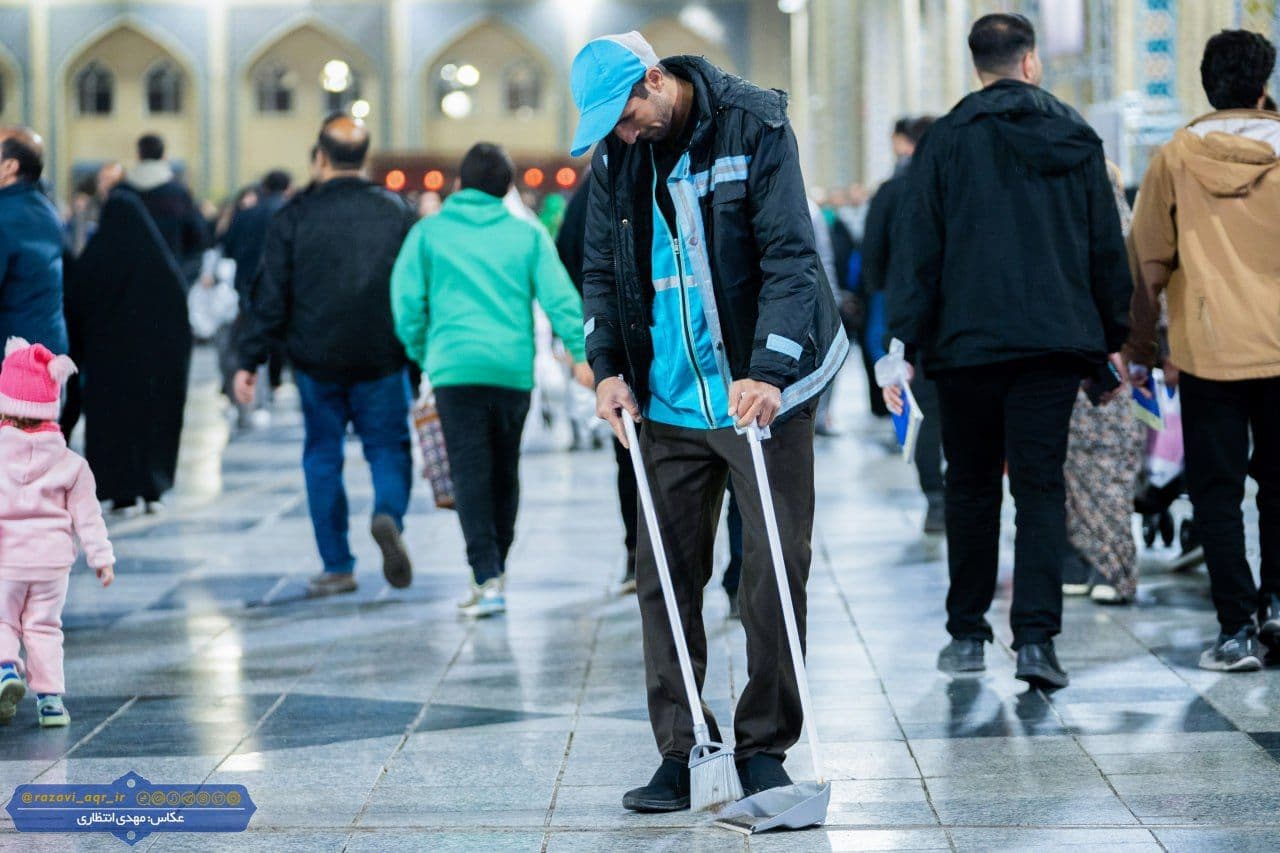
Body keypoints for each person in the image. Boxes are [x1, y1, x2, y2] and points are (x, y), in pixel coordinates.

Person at [571, 32, 847, 809]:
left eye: (626, 115)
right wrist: (607, 368)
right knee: (663, 574)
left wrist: (769, 370)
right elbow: (601, 270)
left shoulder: (754, 124)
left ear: (656, 81)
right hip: (665, 397)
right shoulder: (617, 155)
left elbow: (792, 257)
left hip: (759, 391)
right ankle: (684, 744)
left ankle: (764, 747)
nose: (624, 135)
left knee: (774, 568)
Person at [885, 13, 1132, 689]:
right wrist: (1111, 339)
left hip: (965, 348)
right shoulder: (1075, 134)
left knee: (969, 486)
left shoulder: (944, 140)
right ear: (1030, 61)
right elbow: (1104, 247)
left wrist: (903, 342)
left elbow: (918, 249)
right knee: (1040, 487)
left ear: (977, 66)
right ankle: (1037, 642)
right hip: (1051, 345)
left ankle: (967, 632)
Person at [1127, 29, 1280, 672]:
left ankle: (1235, 628)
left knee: (1216, 491)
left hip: (1208, 350)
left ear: (1207, 86)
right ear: (1264, 85)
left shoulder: (1175, 157)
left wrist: (1139, 346)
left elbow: (1147, 262)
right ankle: (1277, 605)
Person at [392, 143, 593, 616]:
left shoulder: (428, 233)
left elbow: (405, 304)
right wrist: (582, 353)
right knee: (504, 469)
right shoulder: (527, 234)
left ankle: (486, 576)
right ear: (507, 188)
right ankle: (494, 567)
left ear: (459, 184)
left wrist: (425, 353)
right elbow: (561, 299)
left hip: (454, 370)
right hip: (511, 372)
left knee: (469, 471)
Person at [236, 113, 417, 598]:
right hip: (382, 356)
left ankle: (337, 565)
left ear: (319, 157)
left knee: (322, 456)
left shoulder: (294, 215)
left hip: (316, 359)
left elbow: (270, 295)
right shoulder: (396, 211)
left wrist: (249, 360)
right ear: (365, 157)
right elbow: (416, 287)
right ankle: (387, 513)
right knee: (388, 448)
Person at [0, 338, 114, 727]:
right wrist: (101, 558)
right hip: (52, 566)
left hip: (7, 563)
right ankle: (50, 702)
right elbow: (88, 516)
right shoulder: (71, 463)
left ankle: (6, 669)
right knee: (45, 628)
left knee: (3, 622)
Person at [66, 180, 191, 515]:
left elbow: (76, 306)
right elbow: (180, 315)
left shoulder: (95, 259)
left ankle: (120, 493)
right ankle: (153, 487)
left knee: (112, 427)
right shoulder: (160, 264)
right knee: (154, 424)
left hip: (109, 367)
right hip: (155, 367)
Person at [1061, 164, 1147, 606]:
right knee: (1096, 465)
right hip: (1101, 352)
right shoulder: (1114, 221)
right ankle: (1099, 564)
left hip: (1085, 352)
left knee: (1092, 463)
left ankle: (1099, 563)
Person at [556, 173, 641, 592]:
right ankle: (735, 575)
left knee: (631, 454)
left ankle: (638, 554)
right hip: (658, 345)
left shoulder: (589, 191)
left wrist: (590, 332)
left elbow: (569, 263)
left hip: (621, 344)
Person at [863, 115, 944, 533]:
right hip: (959, 317)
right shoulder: (956, 184)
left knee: (922, 407)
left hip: (910, 315)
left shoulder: (893, 190)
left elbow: (872, 258)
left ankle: (936, 498)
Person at [0, 127, 68, 355]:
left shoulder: (5, 215)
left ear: (9, 166)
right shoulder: (45, 209)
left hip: (13, 359)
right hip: (46, 350)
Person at [124, 134, 207, 283]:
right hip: (171, 274)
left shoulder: (122, 192)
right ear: (164, 156)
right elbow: (197, 236)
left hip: (131, 276)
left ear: (138, 156)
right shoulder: (178, 193)